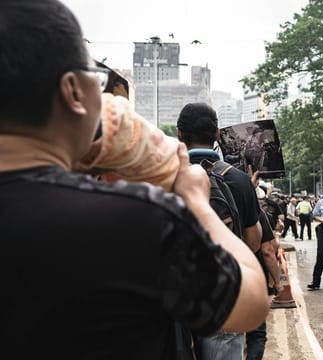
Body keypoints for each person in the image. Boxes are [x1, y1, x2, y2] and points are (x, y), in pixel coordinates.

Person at [0, 1, 269, 357]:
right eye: (95, 80)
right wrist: (198, 205)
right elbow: (250, 302)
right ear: (73, 92)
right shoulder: (137, 220)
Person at [177, 102, 265, 360]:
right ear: (217, 134)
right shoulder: (238, 179)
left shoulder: (165, 177)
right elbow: (255, 241)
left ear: (180, 134)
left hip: (179, 298)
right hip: (225, 295)